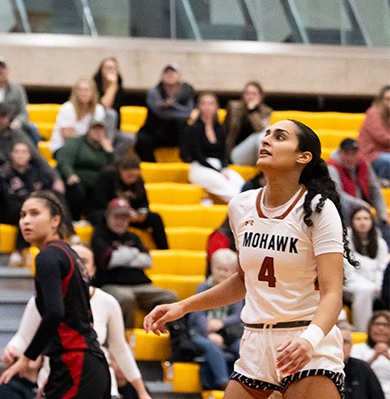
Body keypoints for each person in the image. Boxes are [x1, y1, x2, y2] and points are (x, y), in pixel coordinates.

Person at [144, 119, 352, 399]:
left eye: (279, 137)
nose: (266, 140)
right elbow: (243, 281)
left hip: (305, 339)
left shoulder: (318, 209)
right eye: (266, 135)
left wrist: (309, 341)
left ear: (303, 157)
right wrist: (182, 307)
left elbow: (332, 295)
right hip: (254, 342)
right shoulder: (240, 206)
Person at [0, 190, 109, 399]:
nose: (26, 221)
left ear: (55, 220)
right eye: (22, 215)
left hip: (76, 362)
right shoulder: (71, 254)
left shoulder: (47, 256)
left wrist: (26, 358)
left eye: (34, 213)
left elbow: (55, 312)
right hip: (88, 363)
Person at [4, 244, 151, 399]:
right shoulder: (44, 300)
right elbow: (23, 337)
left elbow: (120, 348)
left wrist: (141, 392)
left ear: (92, 270)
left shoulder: (107, 301)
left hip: (94, 378)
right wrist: (13, 347)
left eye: (83, 262)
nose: (75, 266)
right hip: (56, 378)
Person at [0, 102, 59, 246]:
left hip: (6, 179)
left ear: (9, 118)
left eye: (3, 116)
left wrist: (55, 178)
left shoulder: (16, 134)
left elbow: (36, 157)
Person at [90, 197, 178, 326]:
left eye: (124, 218)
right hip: (112, 284)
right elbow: (109, 260)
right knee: (126, 298)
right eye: (117, 217)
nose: (121, 221)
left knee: (170, 296)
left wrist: (121, 254)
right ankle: (128, 337)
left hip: (140, 284)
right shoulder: (99, 236)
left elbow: (147, 261)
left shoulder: (134, 236)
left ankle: (164, 333)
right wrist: (133, 253)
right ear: (108, 216)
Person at [182, 248, 243, 390]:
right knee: (212, 346)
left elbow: (238, 315)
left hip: (227, 333)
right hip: (200, 332)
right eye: (219, 269)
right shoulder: (203, 287)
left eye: (226, 270)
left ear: (234, 271)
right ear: (211, 268)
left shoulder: (237, 289)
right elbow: (197, 314)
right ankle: (223, 381)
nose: (222, 273)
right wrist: (209, 333)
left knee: (243, 347)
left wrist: (222, 322)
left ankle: (245, 382)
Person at [0, 139, 61, 262]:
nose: (20, 155)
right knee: (27, 212)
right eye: (17, 152)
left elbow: (46, 193)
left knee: (52, 202)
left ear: (29, 155)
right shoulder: (3, 172)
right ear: (11, 154)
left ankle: (67, 235)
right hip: (9, 210)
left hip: (31, 207)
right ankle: (18, 251)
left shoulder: (36, 172)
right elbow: (5, 197)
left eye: (24, 152)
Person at [90, 155, 169, 249]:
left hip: (130, 215)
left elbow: (144, 202)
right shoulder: (107, 176)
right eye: (129, 176)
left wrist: (142, 213)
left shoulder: (138, 181)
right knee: (100, 217)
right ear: (121, 171)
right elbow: (99, 202)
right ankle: (107, 248)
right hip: (107, 211)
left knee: (155, 218)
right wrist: (122, 212)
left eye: (136, 176)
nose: (133, 179)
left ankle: (164, 249)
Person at [180, 93, 244, 203]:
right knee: (228, 189)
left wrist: (223, 168)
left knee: (240, 183)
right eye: (204, 104)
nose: (207, 107)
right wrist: (218, 171)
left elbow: (224, 153)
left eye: (210, 104)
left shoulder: (220, 128)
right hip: (200, 166)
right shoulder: (193, 129)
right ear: (199, 107)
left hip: (218, 165)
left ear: (216, 107)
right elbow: (198, 155)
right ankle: (244, 209)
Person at [134, 63, 196, 162]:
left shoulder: (187, 92)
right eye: (166, 72)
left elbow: (189, 113)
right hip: (155, 131)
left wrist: (171, 105)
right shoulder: (153, 92)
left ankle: (187, 163)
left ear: (179, 76)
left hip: (176, 132)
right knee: (142, 139)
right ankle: (151, 168)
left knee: (190, 131)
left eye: (173, 72)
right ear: (161, 76)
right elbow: (161, 113)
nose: (170, 74)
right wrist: (180, 111)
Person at [56, 117, 116, 220]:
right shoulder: (76, 143)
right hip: (78, 180)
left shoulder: (104, 147)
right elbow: (64, 160)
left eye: (100, 130)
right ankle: (74, 219)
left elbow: (112, 169)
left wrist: (109, 152)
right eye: (94, 129)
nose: (97, 132)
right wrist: (70, 174)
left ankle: (99, 218)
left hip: (97, 184)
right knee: (76, 189)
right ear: (88, 130)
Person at [349, 205, 389, 332]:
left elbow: (382, 268)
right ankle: (363, 331)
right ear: (352, 221)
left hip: (375, 283)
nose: (362, 222)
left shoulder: (379, 241)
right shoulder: (345, 239)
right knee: (365, 290)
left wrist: (378, 285)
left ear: (372, 221)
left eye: (366, 218)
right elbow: (348, 270)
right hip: (350, 283)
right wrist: (373, 286)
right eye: (358, 218)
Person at [332, 137, 390, 225]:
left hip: (363, 208)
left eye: (354, 153)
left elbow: (375, 190)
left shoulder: (364, 164)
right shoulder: (332, 167)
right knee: (344, 205)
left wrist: (383, 215)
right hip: (346, 208)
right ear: (340, 153)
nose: (350, 157)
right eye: (347, 153)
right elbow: (337, 193)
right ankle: (347, 231)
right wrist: (360, 203)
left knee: (384, 223)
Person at [49, 77, 106, 153]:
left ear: (93, 92)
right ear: (75, 92)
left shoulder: (99, 109)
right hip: (64, 147)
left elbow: (98, 134)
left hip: (89, 148)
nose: (83, 93)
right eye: (80, 90)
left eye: (86, 90)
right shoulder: (67, 108)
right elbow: (67, 137)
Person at [225, 81, 272, 166]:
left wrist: (252, 111)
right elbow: (225, 132)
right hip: (236, 154)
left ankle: (266, 168)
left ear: (260, 97)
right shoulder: (234, 108)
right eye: (247, 93)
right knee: (260, 135)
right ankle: (266, 169)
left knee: (265, 132)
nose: (250, 96)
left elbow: (261, 130)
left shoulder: (266, 111)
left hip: (257, 154)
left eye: (254, 94)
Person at [342, 316, 387, 399]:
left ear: (351, 346)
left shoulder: (362, 367)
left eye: (345, 342)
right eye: (338, 341)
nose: (341, 346)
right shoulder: (324, 367)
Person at [351, 310, 390, 396]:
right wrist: (374, 357)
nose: (381, 328)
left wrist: (388, 357)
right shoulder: (358, 348)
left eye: (386, 325)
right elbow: (354, 373)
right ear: (370, 327)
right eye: (377, 324)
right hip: (365, 392)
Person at [359, 87, 390, 182]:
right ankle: (382, 184)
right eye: (388, 99)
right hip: (372, 155)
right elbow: (382, 138)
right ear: (381, 100)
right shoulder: (373, 113)